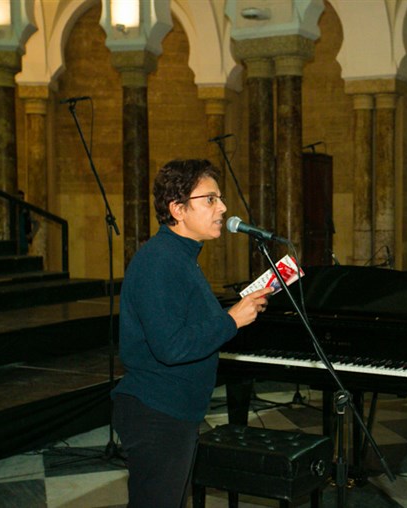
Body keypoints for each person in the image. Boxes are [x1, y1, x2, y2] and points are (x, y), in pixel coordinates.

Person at [111, 159, 273, 508]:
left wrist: (240, 308)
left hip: (173, 410)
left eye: (220, 198)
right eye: (211, 199)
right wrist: (231, 320)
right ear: (178, 209)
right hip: (156, 413)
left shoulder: (181, 256)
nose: (223, 207)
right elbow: (171, 346)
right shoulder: (160, 261)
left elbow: (188, 323)